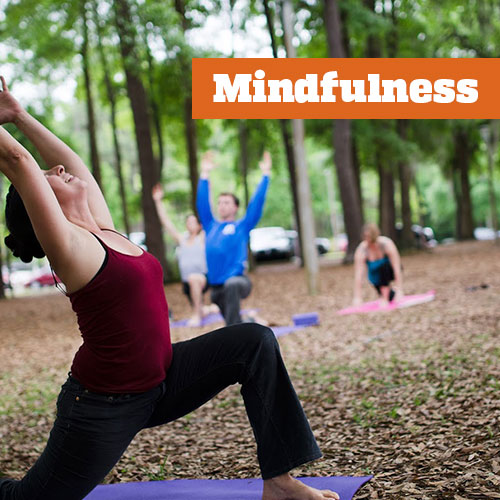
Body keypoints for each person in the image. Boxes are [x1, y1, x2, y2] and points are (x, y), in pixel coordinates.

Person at [0, 78, 338, 500]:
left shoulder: (104, 229)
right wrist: (17, 147)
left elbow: (72, 160)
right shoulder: (71, 250)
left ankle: (279, 482)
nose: (60, 169)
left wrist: (18, 115)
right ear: (42, 208)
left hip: (164, 379)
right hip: (104, 406)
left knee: (256, 343)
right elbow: (16, 160)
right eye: (50, 176)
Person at [196, 151, 270, 325]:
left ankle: (234, 338)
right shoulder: (210, 225)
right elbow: (202, 204)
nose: (222, 206)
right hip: (217, 287)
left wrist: (265, 175)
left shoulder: (241, 226)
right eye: (220, 202)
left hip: (239, 282)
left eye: (227, 202)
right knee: (234, 319)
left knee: (231, 295)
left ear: (236, 207)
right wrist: (204, 174)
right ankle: (249, 322)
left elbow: (256, 204)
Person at [152, 183, 212, 327]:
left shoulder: (202, 237)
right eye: (188, 222)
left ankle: (197, 315)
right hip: (187, 283)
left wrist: (207, 185)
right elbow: (166, 223)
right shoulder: (182, 240)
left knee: (194, 278)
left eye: (193, 221)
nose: (190, 224)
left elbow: (209, 215)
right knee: (193, 284)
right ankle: (207, 309)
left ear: (199, 226)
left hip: (202, 278)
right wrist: (158, 201)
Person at [352, 222, 404, 306]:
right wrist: (357, 297)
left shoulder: (386, 244)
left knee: (384, 267)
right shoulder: (362, 250)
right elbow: (359, 274)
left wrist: (400, 290)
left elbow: (396, 267)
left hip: (388, 271)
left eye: (370, 237)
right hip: (376, 277)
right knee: (391, 296)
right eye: (366, 237)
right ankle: (387, 294)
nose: (368, 240)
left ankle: (385, 297)